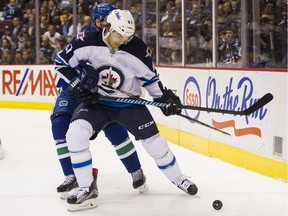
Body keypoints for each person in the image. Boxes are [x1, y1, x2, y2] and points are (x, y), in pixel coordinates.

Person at [55, 9, 198, 212]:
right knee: (75, 134)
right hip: (98, 103)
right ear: (108, 28)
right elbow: (61, 63)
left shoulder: (137, 49)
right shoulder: (86, 40)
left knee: (154, 143)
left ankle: (179, 178)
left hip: (128, 104)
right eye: (119, 35)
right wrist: (78, 85)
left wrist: (164, 99)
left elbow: (150, 80)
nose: (122, 41)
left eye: (127, 37)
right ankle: (86, 188)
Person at [51, 3, 147, 200]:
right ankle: (72, 176)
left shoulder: (120, 40)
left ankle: (136, 170)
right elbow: (63, 62)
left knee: (114, 128)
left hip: (99, 93)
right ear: (97, 21)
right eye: (107, 20)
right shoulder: (86, 38)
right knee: (59, 124)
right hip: (73, 90)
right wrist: (79, 80)